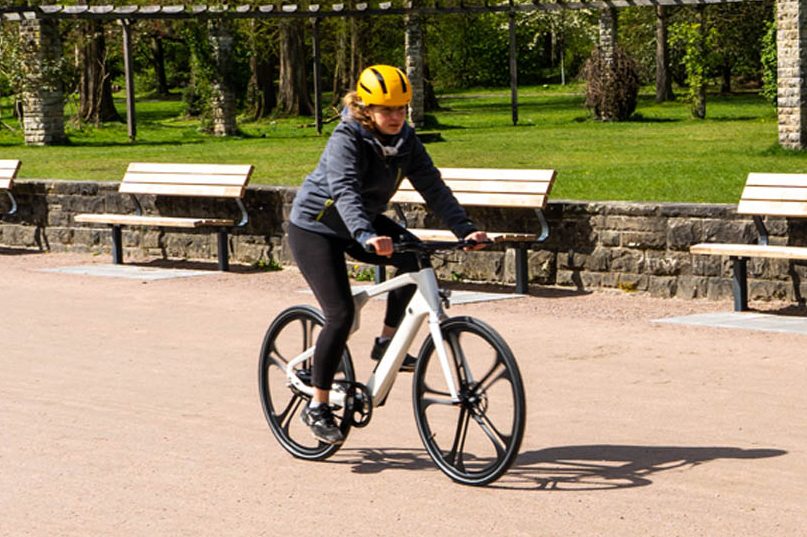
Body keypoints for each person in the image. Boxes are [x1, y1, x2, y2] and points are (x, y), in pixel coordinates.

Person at [287, 64, 488, 444]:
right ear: (366, 109)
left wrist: (464, 229)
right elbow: (344, 189)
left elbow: (433, 186)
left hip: (362, 223)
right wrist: (365, 233)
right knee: (341, 313)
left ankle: (385, 342)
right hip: (316, 227)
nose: (396, 117)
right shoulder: (346, 139)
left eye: (401, 109)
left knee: (414, 258)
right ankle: (317, 404)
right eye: (386, 110)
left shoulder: (406, 140)